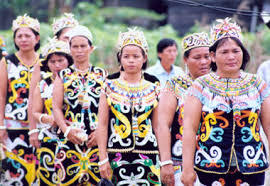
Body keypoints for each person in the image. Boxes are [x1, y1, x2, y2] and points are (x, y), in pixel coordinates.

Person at [181, 17, 270, 186]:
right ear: (213, 56)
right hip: (209, 167)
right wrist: (187, 169)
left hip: (252, 167)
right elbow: (190, 129)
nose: (231, 57)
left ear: (243, 53)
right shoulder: (200, 85)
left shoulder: (257, 84)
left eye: (236, 51)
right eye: (224, 52)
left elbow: (269, 127)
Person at [97, 28, 161, 185]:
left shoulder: (155, 87)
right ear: (120, 58)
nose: (131, 60)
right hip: (116, 155)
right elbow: (102, 125)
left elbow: (159, 127)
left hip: (149, 155)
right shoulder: (108, 86)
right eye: (126, 56)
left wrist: (165, 160)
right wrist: (102, 158)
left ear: (144, 58)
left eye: (136, 56)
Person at [52, 25, 106, 185]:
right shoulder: (62, 75)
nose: (79, 50)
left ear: (91, 48)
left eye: (83, 46)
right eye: (75, 46)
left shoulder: (102, 75)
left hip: (96, 140)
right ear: (69, 49)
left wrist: (100, 133)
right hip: (69, 139)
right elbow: (56, 107)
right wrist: (66, 130)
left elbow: (108, 108)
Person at [156, 32, 211, 186]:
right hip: (179, 160)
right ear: (185, 59)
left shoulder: (218, 84)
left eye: (207, 56)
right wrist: (166, 162)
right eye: (197, 57)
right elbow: (163, 125)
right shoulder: (176, 84)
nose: (204, 62)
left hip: (215, 161)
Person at [0, 14, 41, 185]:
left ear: (37, 38)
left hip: (40, 127)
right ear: (15, 39)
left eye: (28, 35)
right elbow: (1, 94)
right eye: (19, 36)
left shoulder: (45, 62)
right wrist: (0, 124)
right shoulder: (6, 62)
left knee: (38, 173)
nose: (23, 39)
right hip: (12, 126)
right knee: (13, 173)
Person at [28, 13, 79, 149]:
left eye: (73, 38)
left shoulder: (81, 64)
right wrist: (33, 130)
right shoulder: (44, 63)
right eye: (66, 38)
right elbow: (32, 99)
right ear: (57, 38)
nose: (70, 42)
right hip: (49, 130)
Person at [32, 37, 73, 185]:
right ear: (47, 64)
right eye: (52, 62)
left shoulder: (75, 81)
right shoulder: (43, 85)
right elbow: (35, 112)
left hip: (73, 137)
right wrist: (49, 119)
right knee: (49, 179)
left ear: (69, 60)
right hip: (50, 138)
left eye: (61, 60)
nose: (57, 65)